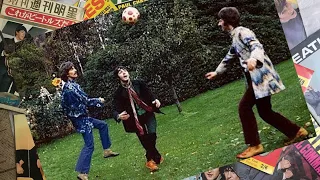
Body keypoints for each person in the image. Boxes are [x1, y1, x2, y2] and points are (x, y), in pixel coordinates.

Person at [205, 7, 308, 159]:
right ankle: (296, 131)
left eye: (220, 20)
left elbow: (256, 46)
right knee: (265, 112)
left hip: (261, 78)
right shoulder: (235, 36)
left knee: (244, 107)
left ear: (227, 21)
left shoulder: (243, 32)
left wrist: (254, 59)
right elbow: (230, 56)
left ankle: (255, 145)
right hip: (255, 79)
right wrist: (217, 72)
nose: (218, 23)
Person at [59, 61, 119, 180]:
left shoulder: (70, 86)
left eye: (74, 68)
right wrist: (99, 101)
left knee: (103, 125)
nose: (75, 70)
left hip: (83, 118)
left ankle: (107, 150)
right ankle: (82, 173)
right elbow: (85, 100)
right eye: (71, 69)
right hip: (81, 120)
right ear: (66, 73)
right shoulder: (70, 88)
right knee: (89, 145)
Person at [112, 66, 163, 172]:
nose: (124, 73)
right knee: (144, 139)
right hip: (135, 120)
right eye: (120, 72)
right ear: (118, 77)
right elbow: (115, 108)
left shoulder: (139, 83)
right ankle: (151, 160)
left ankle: (154, 156)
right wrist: (118, 115)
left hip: (147, 112)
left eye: (125, 71)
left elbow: (149, 93)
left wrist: (155, 99)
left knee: (152, 135)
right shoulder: (118, 93)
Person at [0, 25, 27, 95]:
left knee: (2, 92)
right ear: (17, 32)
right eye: (22, 32)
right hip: (1, 68)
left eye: (24, 33)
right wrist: (3, 53)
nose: (23, 34)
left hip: (10, 74)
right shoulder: (6, 41)